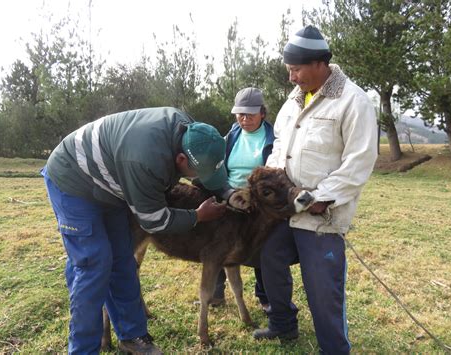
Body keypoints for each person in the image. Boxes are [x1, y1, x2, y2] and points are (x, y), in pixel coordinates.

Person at [42, 107, 230, 354]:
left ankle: (132, 337)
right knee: (94, 262)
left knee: (122, 259)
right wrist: (197, 216)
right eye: (199, 174)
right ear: (181, 160)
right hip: (73, 178)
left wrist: (226, 191)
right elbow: (154, 221)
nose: (200, 180)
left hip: (111, 180)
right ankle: (84, 349)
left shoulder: (194, 134)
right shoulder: (145, 161)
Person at [252, 25, 378, 355]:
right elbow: (279, 147)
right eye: (289, 70)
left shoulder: (353, 101)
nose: (291, 77)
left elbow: (359, 163)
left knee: (322, 289)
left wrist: (318, 198)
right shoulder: (293, 102)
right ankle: (283, 323)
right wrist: (271, 184)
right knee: (268, 258)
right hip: (284, 212)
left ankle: (334, 349)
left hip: (321, 218)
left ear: (319, 64)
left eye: (296, 69)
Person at [210, 87, 275, 312]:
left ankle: (265, 296)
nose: (244, 119)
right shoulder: (232, 135)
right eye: (240, 114)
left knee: (260, 246)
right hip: (228, 194)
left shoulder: (272, 138)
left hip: (258, 200)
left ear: (262, 113)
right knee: (217, 243)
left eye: (250, 114)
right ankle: (215, 294)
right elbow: (218, 164)